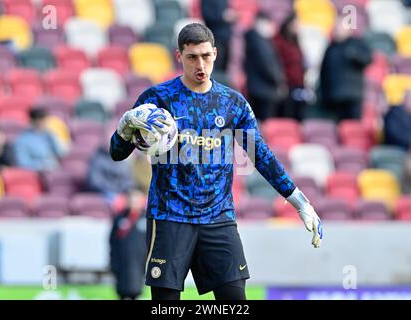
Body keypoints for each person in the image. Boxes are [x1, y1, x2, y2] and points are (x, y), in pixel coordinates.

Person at [110, 23, 323, 300]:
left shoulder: (232, 103)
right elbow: (118, 153)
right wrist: (123, 129)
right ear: (179, 57)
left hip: (218, 218)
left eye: (206, 56)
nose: (201, 64)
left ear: (215, 53)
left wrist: (298, 200)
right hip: (169, 218)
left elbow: (260, 155)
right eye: (192, 57)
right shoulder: (157, 99)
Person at [319, 18, 372, 121]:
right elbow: (324, 72)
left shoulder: (357, 44)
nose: (337, 29)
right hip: (335, 96)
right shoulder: (331, 47)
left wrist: (354, 55)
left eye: (340, 27)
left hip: (352, 96)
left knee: (354, 128)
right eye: (336, 27)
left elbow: (367, 59)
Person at [244, 11, 287, 121]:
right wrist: (279, 81)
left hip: (260, 88)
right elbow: (267, 66)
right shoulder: (259, 42)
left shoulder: (257, 40)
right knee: (264, 124)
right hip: (264, 90)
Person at [109, 190, 147, 300]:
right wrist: (113, 261)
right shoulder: (120, 218)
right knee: (122, 292)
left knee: (136, 291)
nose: (134, 202)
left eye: (137, 200)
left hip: (139, 264)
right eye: (132, 200)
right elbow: (112, 241)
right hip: (122, 263)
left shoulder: (146, 218)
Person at [273, 13, 308, 120]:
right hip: (286, 86)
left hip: (298, 85)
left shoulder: (296, 41)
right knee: (287, 116)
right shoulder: (279, 41)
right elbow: (277, 64)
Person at [13, 107, 64, 172]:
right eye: (39, 120)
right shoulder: (22, 140)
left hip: (54, 170)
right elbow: (23, 163)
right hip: (37, 173)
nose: (43, 123)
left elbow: (60, 153)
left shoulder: (49, 135)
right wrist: (42, 167)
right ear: (32, 120)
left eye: (44, 120)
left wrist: (52, 136)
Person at [201, 0, 237, 72]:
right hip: (215, 36)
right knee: (216, 65)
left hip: (227, 37)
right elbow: (207, 15)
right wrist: (222, 16)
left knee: (225, 67)